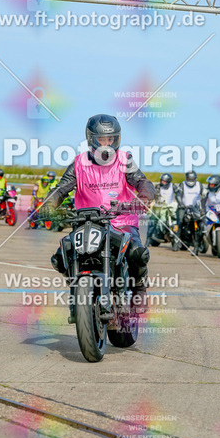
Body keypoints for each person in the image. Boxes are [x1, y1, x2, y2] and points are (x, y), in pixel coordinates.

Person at [45, 114, 155, 308]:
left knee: (137, 253)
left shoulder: (125, 160)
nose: (107, 144)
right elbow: (61, 189)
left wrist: (144, 197)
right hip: (88, 222)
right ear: (91, 139)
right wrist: (48, 205)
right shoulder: (79, 163)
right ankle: (77, 285)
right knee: (60, 258)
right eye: (102, 139)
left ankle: (139, 288)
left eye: (111, 139)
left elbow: (141, 181)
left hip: (121, 222)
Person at [146, 173, 178, 246]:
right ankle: (148, 241)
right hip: (159, 207)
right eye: (161, 180)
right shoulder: (158, 186)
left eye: (164, 181)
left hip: (169, 207)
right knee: (152, 223)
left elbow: (179, 193)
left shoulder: (173, 186)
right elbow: (156, 195)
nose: (162, 182)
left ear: (168, 182)